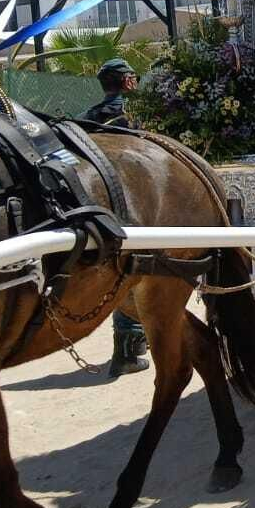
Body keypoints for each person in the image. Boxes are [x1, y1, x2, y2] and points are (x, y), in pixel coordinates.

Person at [79, 58, 149, 376]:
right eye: (134, 77)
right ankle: (130, 350)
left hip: (102, 206)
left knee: (118, 271)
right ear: (128, 82)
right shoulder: (138, 114)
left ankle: (129, 347)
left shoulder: (87, 118)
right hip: (141, 204)